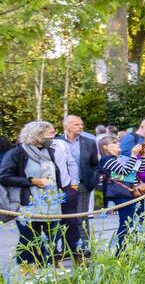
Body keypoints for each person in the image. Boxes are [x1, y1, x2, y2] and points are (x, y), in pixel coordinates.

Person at [0, 121, 64, 268]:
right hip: (26, 203)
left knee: (53, 237)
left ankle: (49, 267)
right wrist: (32, 181)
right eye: (50, 133)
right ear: (38, 135)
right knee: (29, 238)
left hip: (52, 203)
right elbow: (4, 176)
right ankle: (27, 268)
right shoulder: (17, 153)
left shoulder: (49, 151)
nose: (53, 136)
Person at [53, 115, 97, 261]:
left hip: (83, 185)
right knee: (64, 218)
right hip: (63, 186)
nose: (80, 127)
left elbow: (95, 164)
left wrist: (92, 180)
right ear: (66, 126)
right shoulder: (56, 142)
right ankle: (66, 248)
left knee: (81, 217)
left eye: (81, 124)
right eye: (76, 124)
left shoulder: (89, 142)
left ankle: (83, 249)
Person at [96, 134, 145, 251]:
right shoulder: (106, 160)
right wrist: (133, 155)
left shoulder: (121, 158)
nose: (118, 144)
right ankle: (120, 251)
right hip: (121, 195)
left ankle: (131, 249)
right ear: (105, 147)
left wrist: (143, 157)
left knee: (134, 222)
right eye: (114, 142)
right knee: (126, 223)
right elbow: (125, 171)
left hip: (131, 193)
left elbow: (138, 170)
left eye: (118, 142)